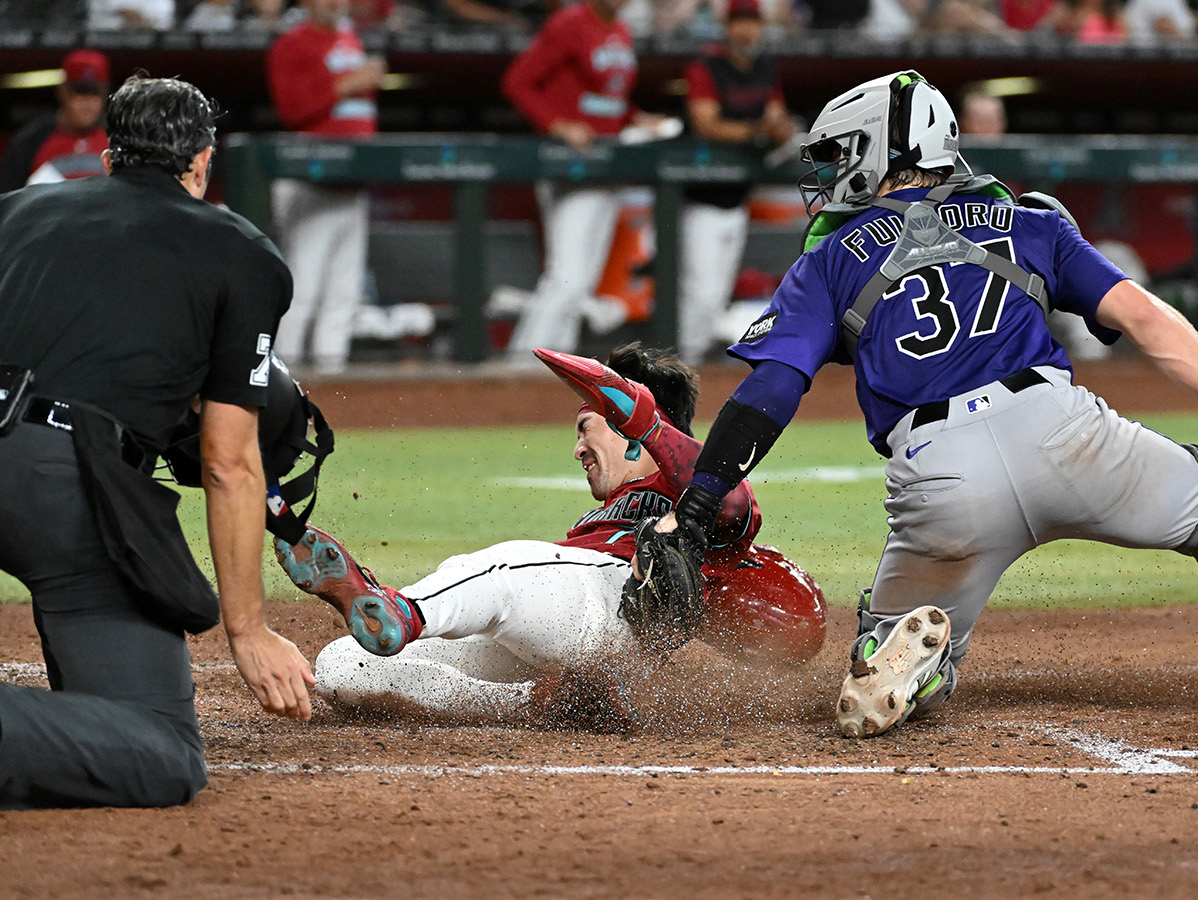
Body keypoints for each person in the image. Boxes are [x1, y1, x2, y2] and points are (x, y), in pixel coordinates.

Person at [644, 70, 1198, 739]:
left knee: (901, 640)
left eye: (838, 156)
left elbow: (770, 392)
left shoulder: (827, 261)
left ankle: (906, 659)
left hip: (937, 479)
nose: (826, 175)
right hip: (1065, 436)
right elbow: (1145, 318)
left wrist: (700, 502)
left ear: (883, 150)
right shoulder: (1026, 219)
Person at [0, 76, 312, 809]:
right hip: (63, 488)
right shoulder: (239, 251)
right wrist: (248, 629)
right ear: (202, 163)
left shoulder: (12, 212)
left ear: (109, 158)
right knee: (159, 750)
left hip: (47, 467)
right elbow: (228, 462)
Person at [278, 344, 825, 730]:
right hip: (565, 640)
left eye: (587, 427)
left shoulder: (695, 493)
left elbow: (734, 501)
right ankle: (544, 703)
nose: (578, 448)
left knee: (503, 567)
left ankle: (402, 611)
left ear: (627, 427)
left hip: (612, 610)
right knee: (342, 666)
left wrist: (648, 423)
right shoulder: (595, 521)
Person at [500, 0, 674, 363]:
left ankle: (555, 366)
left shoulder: (620, 29)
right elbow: (517, 81)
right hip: (571, 167)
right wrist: (557, 124)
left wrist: (636, 118)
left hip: (608, 164)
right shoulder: (570, 23)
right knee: (567, 277)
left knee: (581, 282)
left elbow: (608, 99)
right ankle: (520, 365)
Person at [267, 0, 385, 374]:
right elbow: (291, 108)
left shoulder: (350, 37)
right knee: (302, 291)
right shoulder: (292, 42)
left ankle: (332, 380)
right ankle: (282, 381)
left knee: (343, 293)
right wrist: (348, 83)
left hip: (352, 184)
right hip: (310, 182)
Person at [678, 0, 796, 366]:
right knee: (701, 292)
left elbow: (776, 117)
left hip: (737, 199)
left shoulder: (765, 66)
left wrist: (781, 129)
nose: (746, 30)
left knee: (715, 294)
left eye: (752, 22)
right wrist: (759, 129)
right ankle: (679, 362)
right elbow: (706, 124)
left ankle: (695, 363)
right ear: (727, 27)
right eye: (739, 22)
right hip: (699, 196)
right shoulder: (707, 65)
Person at [0, 50, 110, 193]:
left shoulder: (117, 138)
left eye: (95, 94)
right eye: (80, 92)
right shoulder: (31, 140)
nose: (87, 104)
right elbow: (8, 196)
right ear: (62, 91)